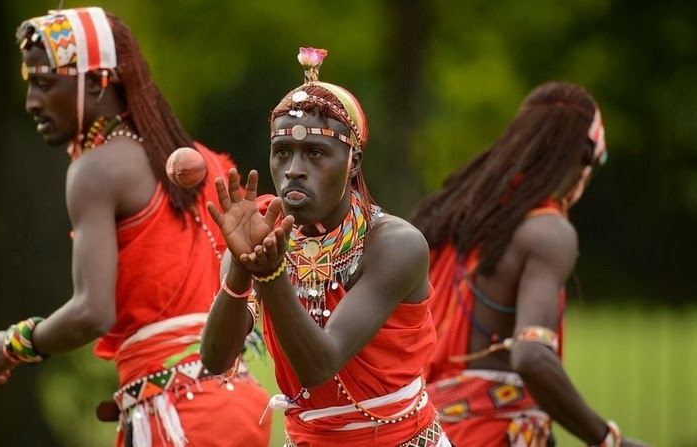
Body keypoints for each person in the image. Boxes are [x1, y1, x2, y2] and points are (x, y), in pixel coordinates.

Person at [0, 7, 271, 447]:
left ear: (97, 82)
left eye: (44, 83)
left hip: (178, 414)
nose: (32, 102)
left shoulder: (95, 172)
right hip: (241, 402)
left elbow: (92, 313)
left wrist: (13, 343)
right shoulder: (205, 162)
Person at [199, 48, 453, 447]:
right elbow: (216, 359)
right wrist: (240, 270)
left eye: (316, 152)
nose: (294, 169)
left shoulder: (394, 245)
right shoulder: (258, 228)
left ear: (353, 162)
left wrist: (270, 273)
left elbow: (319, 363)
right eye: (282, 152)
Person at [411, 81, 648, 447]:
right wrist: (608, 439)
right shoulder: (549, 230)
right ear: (583, 161)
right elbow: (532, 356)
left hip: (421, 434)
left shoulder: (447, 219)